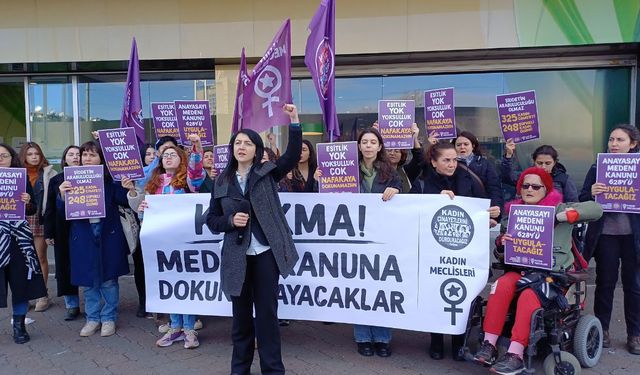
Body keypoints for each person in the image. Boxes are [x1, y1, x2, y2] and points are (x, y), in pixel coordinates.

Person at [474, 167, 602, 374]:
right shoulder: (514, 214)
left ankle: (515, 354)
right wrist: (501, 244)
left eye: (536, 186)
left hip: (551, 274)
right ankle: (489, 345)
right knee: (500, 286)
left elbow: (596, 209)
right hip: (521, 269)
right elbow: (501, 254)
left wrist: (565, 216)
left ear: (546, 189)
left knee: (529, 296)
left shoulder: (560, 208)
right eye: (525, 186)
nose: (530, 190)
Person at [206, 104, 301, 375]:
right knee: (241, 320)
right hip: (236, 258)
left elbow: (292, 156)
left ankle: (273, 370)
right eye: (238, 142)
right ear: (232, 149)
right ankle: (240, 370)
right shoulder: (221, 181)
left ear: (256, 149)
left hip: (266, 254)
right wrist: (229, 221)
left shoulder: (268, 172)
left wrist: (293, 120)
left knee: (267, 318)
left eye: (248, 143)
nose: (242, 147)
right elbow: (212, 220)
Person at [410, 142, 500, 361]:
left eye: (454, 160)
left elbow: (484, 208)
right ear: (433, 162)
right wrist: (435, 202)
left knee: (464, 296)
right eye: (446, 160)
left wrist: (492, 214)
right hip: (434, 250)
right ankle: (437, 341)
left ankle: (460, 342)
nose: (452, 164)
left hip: (464, 251)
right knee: (435, 294)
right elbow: (412, 212)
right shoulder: (422, 184)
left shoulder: (469, 180)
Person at [129, 134, 205, 349]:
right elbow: (146, 217)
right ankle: (175, 327)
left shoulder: (189, 183)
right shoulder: (154, 185)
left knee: (187, 283)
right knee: (170, 283)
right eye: (164, 156)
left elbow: (197, 173)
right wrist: (143, 210)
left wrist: (196, 150)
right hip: (161, 243)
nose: (168, 157)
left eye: (173, 154)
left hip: (185, 241)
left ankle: (189, 328)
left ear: (182, 159)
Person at [58, 141, 130, 338]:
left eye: (92, 155)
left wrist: (129, 188)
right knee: (89, 281)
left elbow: (125, 201)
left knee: (108, 280)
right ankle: (92, 318)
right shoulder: (70, 180)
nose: (87, 159)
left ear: (101, 159)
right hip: (83, 234)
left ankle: (109, 318)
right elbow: (60, 212)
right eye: (84, 155)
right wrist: (62, 195)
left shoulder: (111, 181)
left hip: (108, 234)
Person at [580, 124, 640, 354]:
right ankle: (601, 330)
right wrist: (592, 192)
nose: (613, 144)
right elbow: (582, 198)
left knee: (634, 286)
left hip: (633, 237)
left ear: (632, 144)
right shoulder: (598, 166)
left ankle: (634, 334)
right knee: (605, 283)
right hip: (605, 235)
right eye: (611, 139)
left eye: (620, 140)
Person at [0, 143, 47, 344]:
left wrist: (28, 201)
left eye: (4, 156)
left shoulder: (20, 178)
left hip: (19, 241)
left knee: (20, 284)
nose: (0, 159)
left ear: (12, 158)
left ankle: (19, 325)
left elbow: (31, 210)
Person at [43, 145, 81, 320]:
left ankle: (95, 303)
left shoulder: (94, 177)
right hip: (63, 229)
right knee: (65, 267)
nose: (75, 157)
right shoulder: (57, 180)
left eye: (78, 154)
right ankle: (72, 305)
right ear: (64, 159)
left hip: (85, 227)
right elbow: (50, 207)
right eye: (71, 154)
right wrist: (48, 232)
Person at [19, 142, 57, 312]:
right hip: (19, 218)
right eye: (30, 154)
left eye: (37, 154)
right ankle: (24, 295)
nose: (34, 157)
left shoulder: (49, 173)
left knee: (40, 257)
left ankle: (42, 294)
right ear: (23, 156)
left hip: (39, 217)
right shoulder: (15, 174)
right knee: (21, 259)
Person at [502, 140, 578, 203]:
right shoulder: (527, 176)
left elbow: (573, 204)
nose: (543, 167)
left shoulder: (563, 179)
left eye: (548, 163)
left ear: (554, 162)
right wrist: (508, 155)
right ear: (534, 162)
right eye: (539, 163)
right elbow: (507, 177)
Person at [454, 131, 503, 215]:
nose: (462, 147)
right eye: (458, 145)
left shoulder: (485, 164)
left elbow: (494, 189)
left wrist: (495, 208)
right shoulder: (450, 165)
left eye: (466, 144)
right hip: (457, 212)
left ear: (473, 146)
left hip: (480, 212)